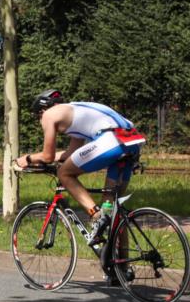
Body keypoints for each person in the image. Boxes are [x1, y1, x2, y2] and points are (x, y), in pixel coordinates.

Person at [15, 89, 147, 247]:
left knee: (64, 173)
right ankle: (123, 269)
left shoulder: (48, 115)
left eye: (38, 115)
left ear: (43, 109)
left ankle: (96, 216)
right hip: (132, 140)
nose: (40, 119)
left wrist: (28, 159)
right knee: (112, 209)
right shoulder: (76, 111)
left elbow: (48, 156)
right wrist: (43, 158)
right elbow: (69, 154)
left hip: (111, 140)